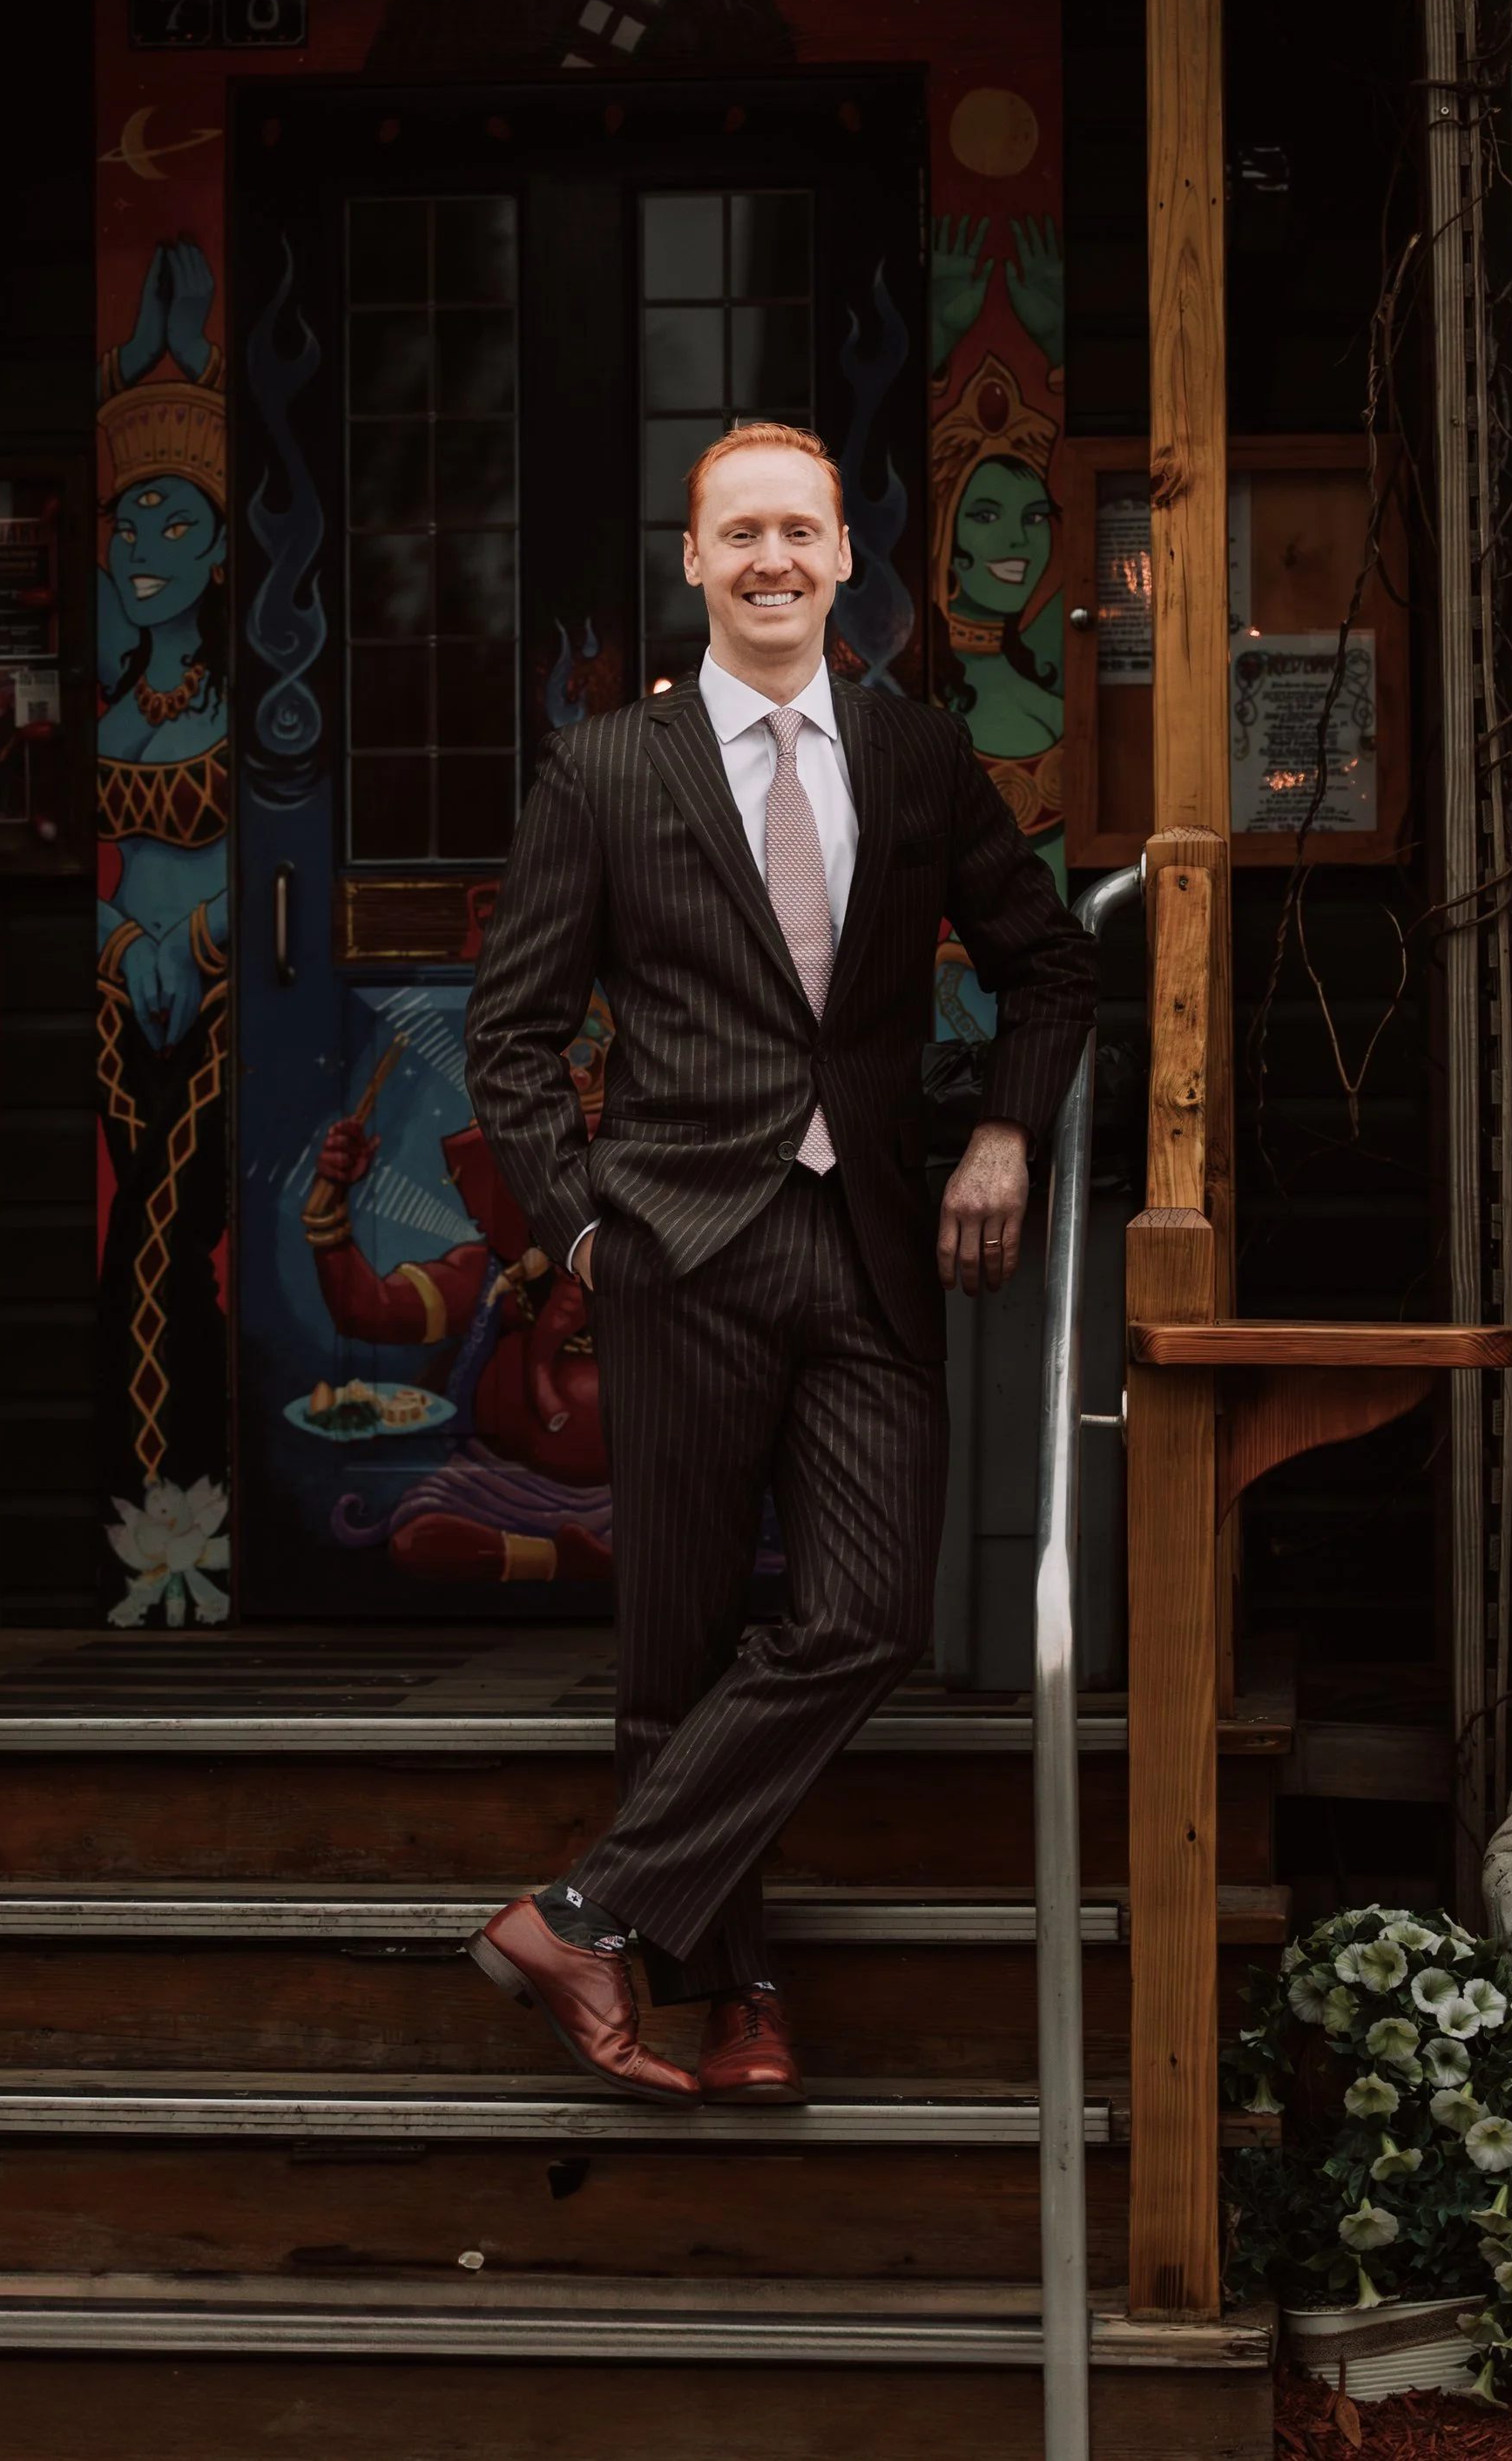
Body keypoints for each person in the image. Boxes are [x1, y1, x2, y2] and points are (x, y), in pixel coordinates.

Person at [461, 419, 1099, 2107]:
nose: (770, 559)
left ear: (840, 558)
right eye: (738, 532)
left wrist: (1004, 1132)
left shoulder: (915, 755)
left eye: (798, 532)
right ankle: (736, 1993)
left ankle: (579, 1916)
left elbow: (1049, 967)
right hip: (675, 1253)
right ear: (693, 561)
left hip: (869, 1244)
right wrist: (583, 1230)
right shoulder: (605, 770)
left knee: (865, 1613)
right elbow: (511, 1035)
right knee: (673, 1648)